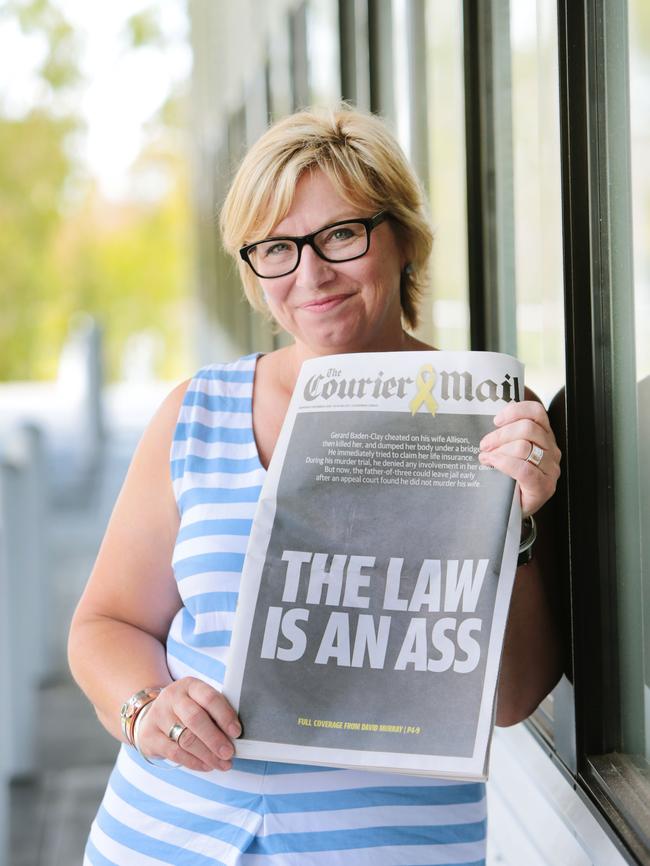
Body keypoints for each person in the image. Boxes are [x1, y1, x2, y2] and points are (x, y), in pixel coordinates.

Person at [69, 104, 563, 866]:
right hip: (164, 839)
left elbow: (511, 701)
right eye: (276, 247)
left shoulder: (490, 419)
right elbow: (104, 624)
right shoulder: (199, 412)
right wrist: (145, 707)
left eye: (340, 234)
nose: (311, 274)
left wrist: (520, 521)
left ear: (402, 239)